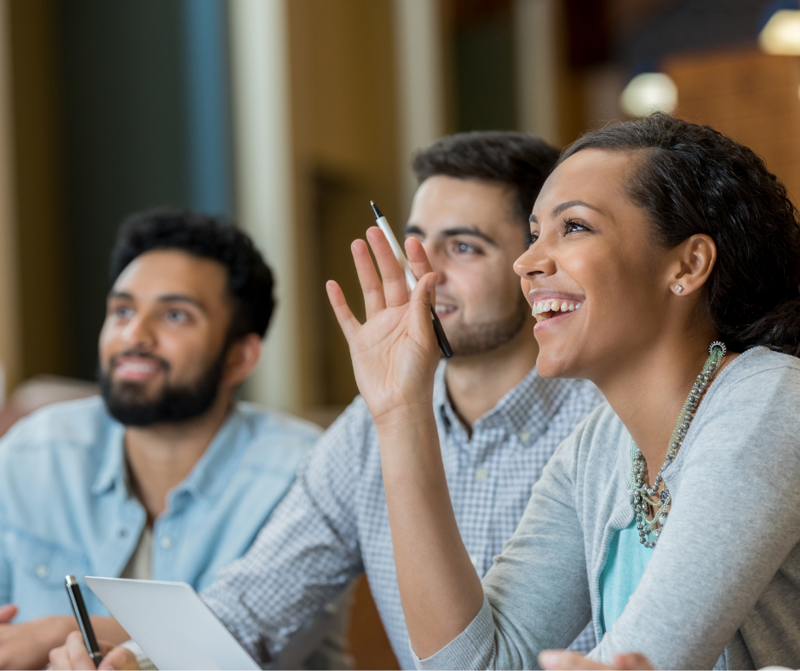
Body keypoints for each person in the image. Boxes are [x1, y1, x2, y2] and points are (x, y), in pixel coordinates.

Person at [50, 131, 605, 670]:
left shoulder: (604, 425)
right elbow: (250, 610)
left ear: (536, 260)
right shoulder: (367, 428)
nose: (423, 273)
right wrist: (135, 663)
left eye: (463, 247)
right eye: (411, 242)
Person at [323, 113, 800, 670]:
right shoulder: (596, 451)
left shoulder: (768, 403)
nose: (527, 263)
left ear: (688, 264)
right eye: (532, 234)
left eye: (573, 227)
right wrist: (401, 410)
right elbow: (477, 665)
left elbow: (652, 660)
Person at [0, 209, 324, 670]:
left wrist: (58, 631)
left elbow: (247, 647)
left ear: (240, 357)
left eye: (174, 315)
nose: (135, 334)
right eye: (123, 311)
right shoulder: (34, 453)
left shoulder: (302, 474)